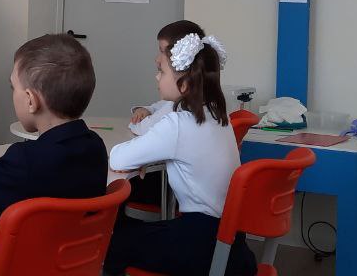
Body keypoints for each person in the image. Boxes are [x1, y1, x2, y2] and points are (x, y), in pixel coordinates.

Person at [0, 33, 107, 276]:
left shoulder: (25, 162)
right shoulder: (94, 147)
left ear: (30, 100)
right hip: (66, 268)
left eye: (13, 87)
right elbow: (16, 176)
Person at [102, 20, 255, 276]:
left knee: (109, 241)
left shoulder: (178, 124)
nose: (156, 77)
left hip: (199, 244)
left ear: (183, 85)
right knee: (130, 231)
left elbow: (118, 158)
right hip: (230, 242)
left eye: (161, 72)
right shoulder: (218, 116)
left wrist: (140, 156)